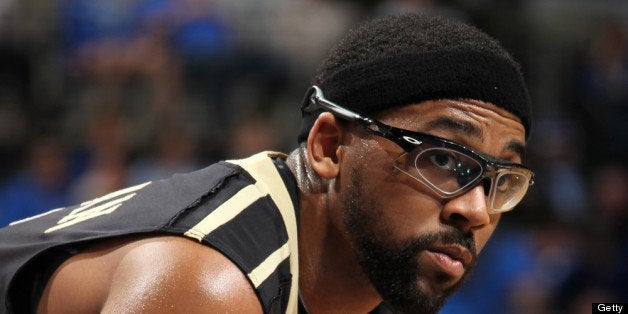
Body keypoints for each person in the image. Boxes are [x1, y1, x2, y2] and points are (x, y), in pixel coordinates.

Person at [0, 13, 535, 314]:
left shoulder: (364, 279)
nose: (476, 210)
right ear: (328, 149)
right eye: (442, 158)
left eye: (498, 180)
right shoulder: (210, 285)